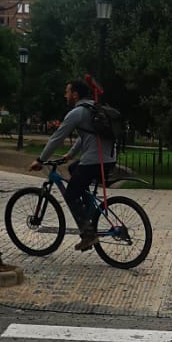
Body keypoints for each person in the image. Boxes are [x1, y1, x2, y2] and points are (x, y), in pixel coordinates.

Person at [29, 79, 115, 251]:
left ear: (75, 94)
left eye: (67, 92)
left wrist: (40, 159)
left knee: (70, 195)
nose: (65, 95)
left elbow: (57, 137)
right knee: (73, 168)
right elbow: (87, 137)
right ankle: (87, 211)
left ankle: (88, 234)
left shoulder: (77, 112)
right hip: (108, 159)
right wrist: (70, 155)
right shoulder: (93, 108)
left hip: (94, 161)